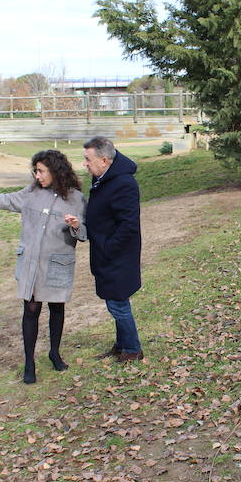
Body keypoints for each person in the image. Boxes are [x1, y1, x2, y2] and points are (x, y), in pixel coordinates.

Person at [0, 150, 86, 384]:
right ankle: (29, 362)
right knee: (31, 309)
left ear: (56, 170)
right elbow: (4, 200)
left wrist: (76, 225)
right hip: (32, 263)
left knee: (56, 308)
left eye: (41, 171)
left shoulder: (76, 198)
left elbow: (85, 233)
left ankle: (54, 353)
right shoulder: (31, 192)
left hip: (57, 264)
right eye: (35, 170)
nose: (37, 176)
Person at [82, 136, 144, 362]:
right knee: (115, 300)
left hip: (117, 255)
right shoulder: (105, 179)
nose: (85, 164)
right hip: (106, 253)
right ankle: (122, 344)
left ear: (105, 160)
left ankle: (133, 349)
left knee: (118, 303)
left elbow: (129, 225)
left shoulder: (123, 183)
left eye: (88, 159)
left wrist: (108, 247)